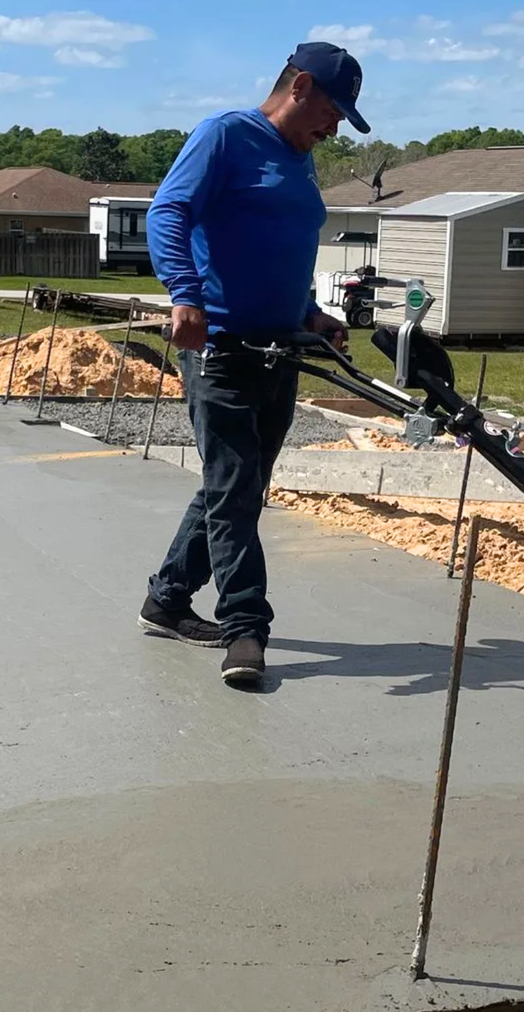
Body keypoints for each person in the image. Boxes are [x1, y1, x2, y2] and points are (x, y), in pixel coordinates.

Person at [135, 41, 369, 684]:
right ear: (297, 87)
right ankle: (246, 626)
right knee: (235, 489)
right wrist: (185, 296)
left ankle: (167, 599)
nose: (335, 125)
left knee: (234, 489)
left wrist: (308, 313)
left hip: (280, 350)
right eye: (331, 109)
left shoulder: (301, 162)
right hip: (221, 349)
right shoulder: (225, 136)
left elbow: (279, 249)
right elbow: (168, 211)